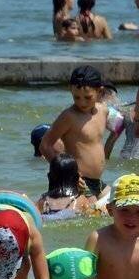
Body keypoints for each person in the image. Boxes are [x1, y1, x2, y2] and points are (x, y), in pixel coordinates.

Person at [40, 65, 119, 199]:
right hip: (77, 182)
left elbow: (116, 124)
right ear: (70, 90)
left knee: (116, 204)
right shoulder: (69, 116)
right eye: (76, 97)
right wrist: (66, 173)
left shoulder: (103, 111)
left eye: (88, 97)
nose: (82, 102)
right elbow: (45, 145)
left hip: (97, 182)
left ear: (99, 92)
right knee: (93, 210)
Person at [37, 154, 96, 221]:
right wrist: (86, 190)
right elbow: (96, 210)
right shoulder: (80, 200)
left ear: (49, 177)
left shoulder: (43, 201)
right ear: (77, 177)